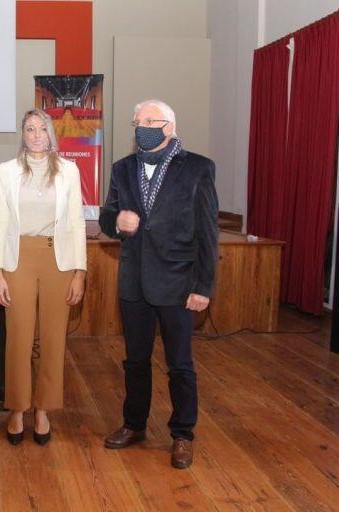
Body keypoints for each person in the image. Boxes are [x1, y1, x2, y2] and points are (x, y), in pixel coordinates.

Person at [99, 99, 218, 468]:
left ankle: (183, 434)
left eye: (149, 120)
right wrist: (119, 221)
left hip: (179, 283)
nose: (141, 126)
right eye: (137, 121)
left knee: (179, 364)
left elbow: (208, 232)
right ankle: (134, 425)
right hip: (134, 281)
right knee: (135, 361)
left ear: (169, 125)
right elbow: (106, 216)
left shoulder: (198, 167)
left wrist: (203, 287)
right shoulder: (122, 168)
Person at [0, 109, 87, 446]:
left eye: (41, 128)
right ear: (23, 134)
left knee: (52, 338)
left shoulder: (69, 172)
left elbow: (77, 222)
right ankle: (18, 408)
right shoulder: (7, 171)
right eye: (29, 128)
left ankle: (44, 409)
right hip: (18, 258)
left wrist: (80, 272)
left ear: (50, 134)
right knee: (18, 336)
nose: (35, 134)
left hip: (58, 260)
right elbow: (1, 223)